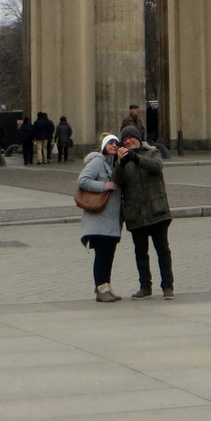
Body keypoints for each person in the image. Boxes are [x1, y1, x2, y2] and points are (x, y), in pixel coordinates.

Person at [114, 126, 173, 298]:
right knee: (141, 253)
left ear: (139, 139)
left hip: (157, 212)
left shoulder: (152, 152)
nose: (128, 141)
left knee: (163, 251)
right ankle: (145, 286)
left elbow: (156, 167)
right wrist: (120, 164)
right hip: (136, 214)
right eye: (125, 140)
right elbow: (117, 181)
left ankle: (167, 286)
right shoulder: (122, 160)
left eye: (131, 138)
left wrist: (136, 158)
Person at [78, 135, 124, 302]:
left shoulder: (115, 162)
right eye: (110, 143)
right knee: (102, 254)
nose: (114, 145)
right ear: (103, 146)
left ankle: (106, 286)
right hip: (99, 217)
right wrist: (103, 186)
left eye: (116, 143)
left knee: (109, 253)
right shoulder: (98, 162)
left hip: (112, 217)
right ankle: (100, 288)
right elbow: (82, 180)